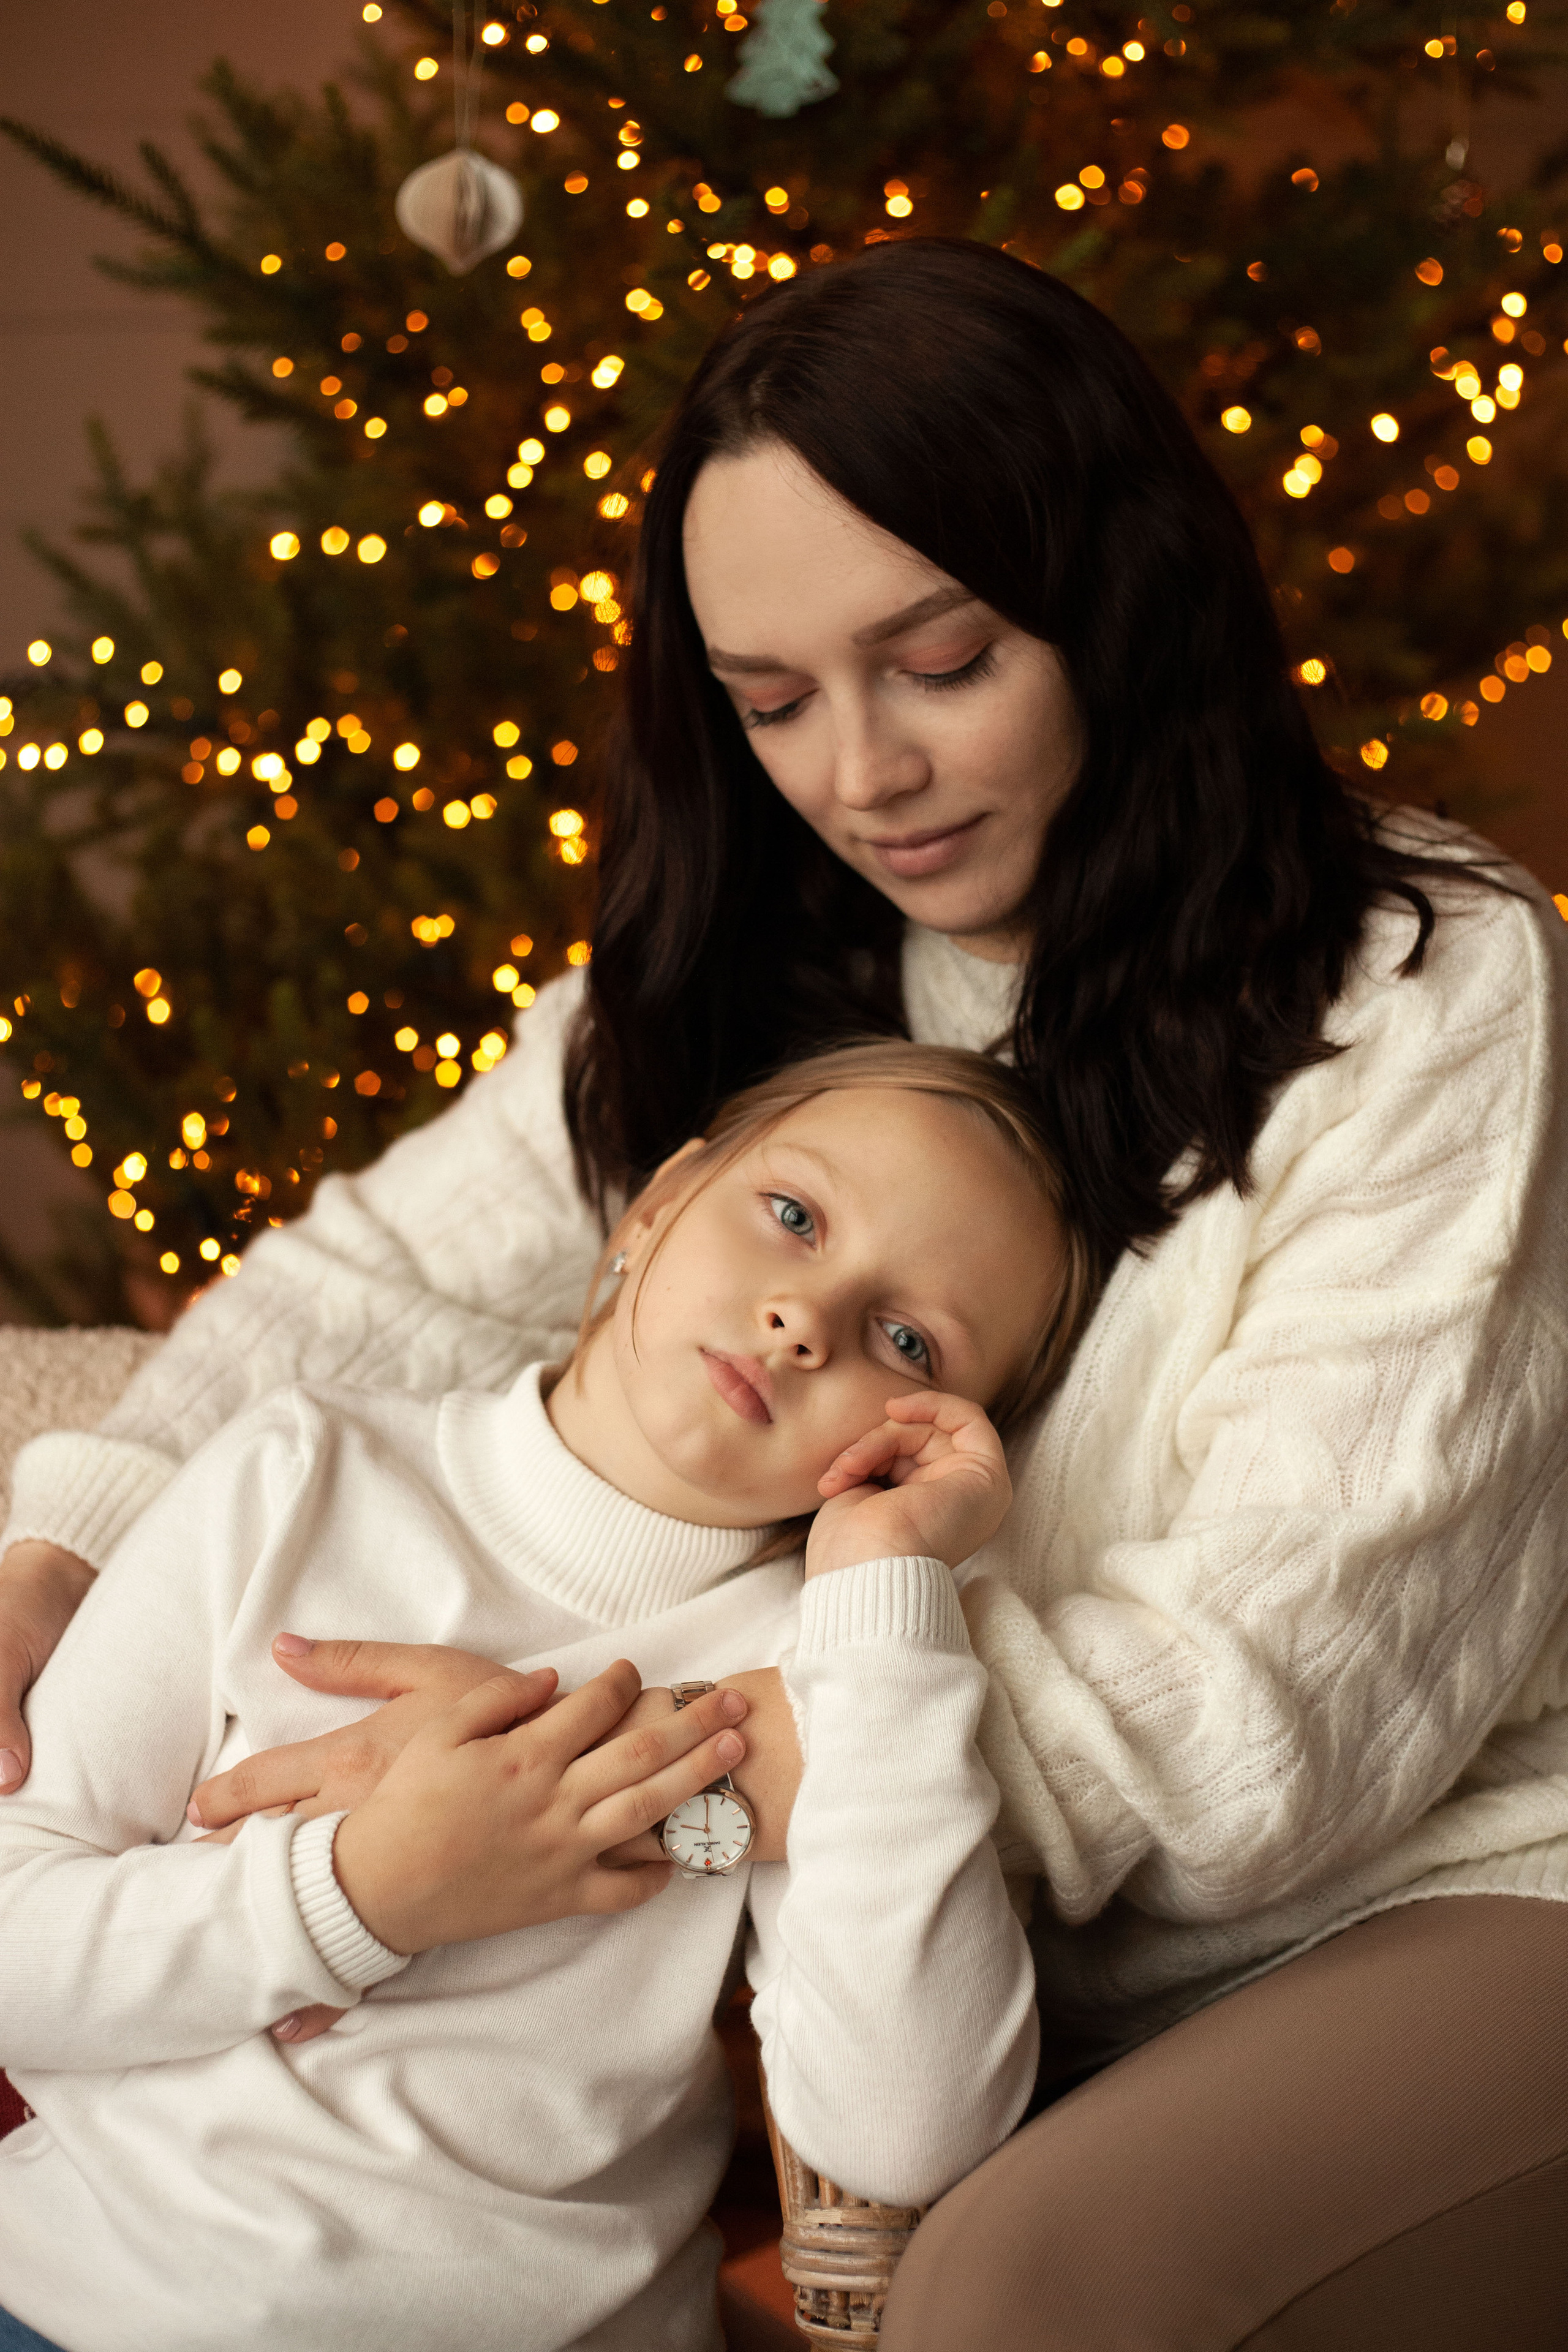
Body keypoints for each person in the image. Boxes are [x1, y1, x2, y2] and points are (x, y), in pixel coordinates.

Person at [3, 236, 1567, 2343]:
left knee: (1023, 2288)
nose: (860, 774)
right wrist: (68, 1547)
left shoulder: (1433, 981)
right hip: (923, 1911)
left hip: (1425, 1892)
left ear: (1116, 608)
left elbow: (1275, 1731)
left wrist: (592, 1789)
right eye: (772, 702)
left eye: (936, 664)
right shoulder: (753, 953)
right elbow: (367, 1295)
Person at [0, 1041, 1081, 2352]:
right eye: (790, 1217)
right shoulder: (297, 1471)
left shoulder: (836, 1670)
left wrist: (888, 1594)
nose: (805, 1319)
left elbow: (904, 2134)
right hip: (87, 2301)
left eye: (905, 1339)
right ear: (659, 1203)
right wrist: (358, 1890)